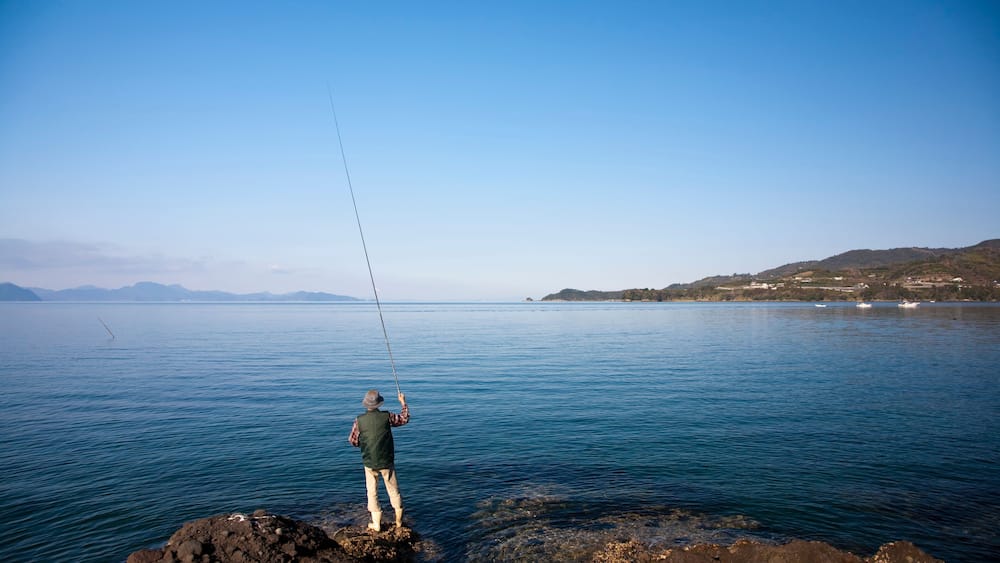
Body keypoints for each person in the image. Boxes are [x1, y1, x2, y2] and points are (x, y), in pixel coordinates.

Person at [348, 389, 410, 531]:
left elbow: (353, 441)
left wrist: (365, 444)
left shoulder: (359, 420)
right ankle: (399, 522)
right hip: (386, 460)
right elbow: (404, 418)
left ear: (366, 404)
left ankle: (376, 525)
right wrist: (403, 402)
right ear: (379, 403)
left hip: (369, 461)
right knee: (393, 490)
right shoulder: (387, 416)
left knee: (372, 492)